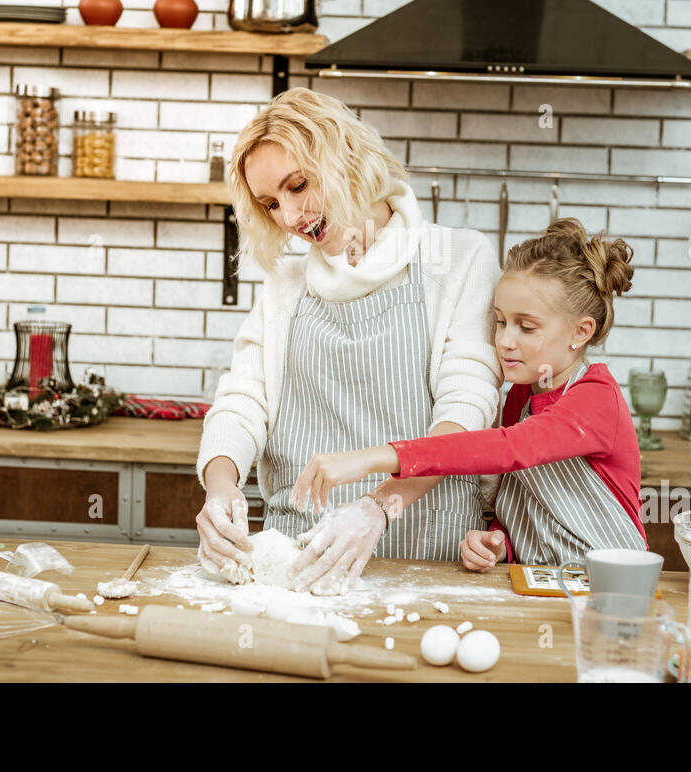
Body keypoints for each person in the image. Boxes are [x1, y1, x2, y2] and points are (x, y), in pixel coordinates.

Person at [195, 87, 501, 593]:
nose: (291, 217)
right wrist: (221, 487)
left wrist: (379, 506)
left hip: (427, 564)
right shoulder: (286, 286)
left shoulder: (460, 258)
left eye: (299, 185)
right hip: (295, 561)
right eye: (272, 203)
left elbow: (467, 411)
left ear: (347, 158)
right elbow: (241, 401)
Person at [291, 218, 647, 570]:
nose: (506, 340)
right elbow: (534, 506)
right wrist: (498, 542)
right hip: (544, 585)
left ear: (581, 332)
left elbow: (508, 449)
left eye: (526, 326)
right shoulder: (521, 398)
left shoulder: (596, 399)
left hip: (616, 586)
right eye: (501, 321)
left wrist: (370, 458)